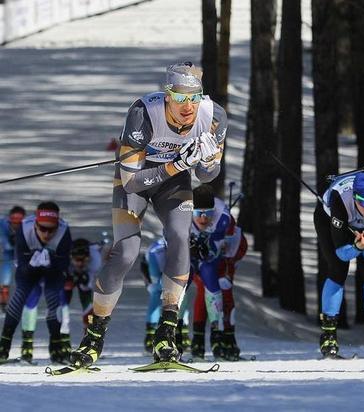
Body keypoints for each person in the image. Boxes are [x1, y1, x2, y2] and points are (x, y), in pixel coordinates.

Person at [71, 61, 227, 368]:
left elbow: (209, 176)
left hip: (175, 180)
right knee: (126, 252)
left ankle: (167, 333)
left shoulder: (213, 117)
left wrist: (206, 160)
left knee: (181, 238)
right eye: (180, 98)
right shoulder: (144, 113)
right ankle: (94, 337)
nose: (188, 106)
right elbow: (131, 181)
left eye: (194, 98)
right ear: (167, 95)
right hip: (138, 177)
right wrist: (178, 165)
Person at [314, 171, 364, 358]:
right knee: (338, 269)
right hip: (330, 221)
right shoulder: (340, 200)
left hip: (360, 228)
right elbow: (342, 254)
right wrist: (358, 247)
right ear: (354, 197)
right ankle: (328, 335)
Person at [0, 202, 72, 363]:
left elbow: (65, 263)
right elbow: (20, 264)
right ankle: (4, 345)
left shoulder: (64, 229)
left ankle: (56, 347)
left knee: (54, 297)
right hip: (28, 269)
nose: (47, 234)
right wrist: (31, 264)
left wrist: (52, 261)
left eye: (51, 229)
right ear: (35, 224)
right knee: (20, 296)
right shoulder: (24, 229)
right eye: (43, 228)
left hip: (53, 270)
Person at [188, 184, 248, 361]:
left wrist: (206, 249)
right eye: (199, 213)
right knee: (203, 288)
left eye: (208, 213)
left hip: (229, 251)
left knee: (224, 287)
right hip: (205, 251)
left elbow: (216, 252)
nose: (204, 217)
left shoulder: (222, 217)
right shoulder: (183, 215)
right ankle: (198, 340)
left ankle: (227, 338)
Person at [140, 237, 195, 354]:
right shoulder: (155, 252)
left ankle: (182, 330)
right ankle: (150, 335)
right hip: (152, 268)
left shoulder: (184, 249)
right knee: (156, 293)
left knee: (182, 293)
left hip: (172, 268)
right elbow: (156, 281)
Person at [0, 206, 26, 312]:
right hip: (7, 253)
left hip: (22, 253)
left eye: (19, 222)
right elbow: (6, 245)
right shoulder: (2, 225)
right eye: (13, 221)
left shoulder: (28, 226)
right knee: (5, 280)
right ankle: (3, 303)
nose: (16, 225)